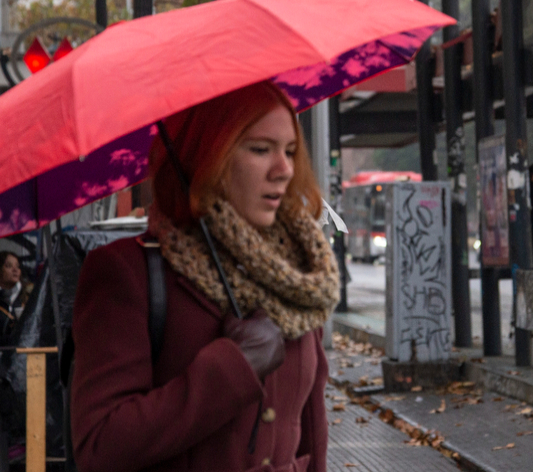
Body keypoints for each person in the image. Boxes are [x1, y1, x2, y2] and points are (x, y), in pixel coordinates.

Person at [70, 82, 339, 472]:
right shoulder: (126, 272)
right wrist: (232, 367)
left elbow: (311, 435)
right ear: (207, 156)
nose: (284, 170)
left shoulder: (296, 275)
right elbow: (101, 445)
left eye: (291, 152)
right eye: (261, 150)